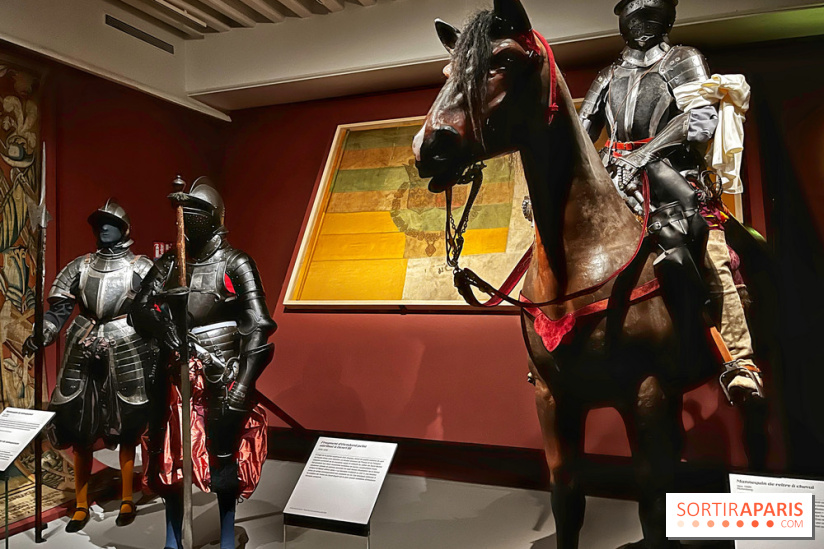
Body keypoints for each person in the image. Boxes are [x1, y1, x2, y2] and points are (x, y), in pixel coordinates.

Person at [578, 0, 763, 404]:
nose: (643, 12)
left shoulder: (683, 58)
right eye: (634, 6)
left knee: (712, 250)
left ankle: (740, 361)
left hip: (672, 176)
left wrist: (641, 156)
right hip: (614, 177)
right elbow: (581, 134)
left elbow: (698, 120)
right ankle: (558, 343)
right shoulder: (608, 74)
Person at [130, 178, 276, 549]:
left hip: (219, 373)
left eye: (193, 213)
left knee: (223, 457)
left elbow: (259, 328)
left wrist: (241, 388)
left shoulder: (235, 262)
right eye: (183, 214)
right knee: (168, 457)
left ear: (212, 217)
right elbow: (139, 309)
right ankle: (172, 538)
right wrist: (163, 328)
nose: (186, 220)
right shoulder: (169, 263)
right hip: (171, 375)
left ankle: (228, 536)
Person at [24, 200, 154, 531]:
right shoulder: (79, 267)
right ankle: (80, 503)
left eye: (110, 223)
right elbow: (59, 309)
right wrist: (45, 332)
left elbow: (154, 313)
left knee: (128, 425)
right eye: (99, 223)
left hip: (126, 342)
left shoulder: (141, 268)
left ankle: (127, 495)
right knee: (78, 426)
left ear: (124, 229)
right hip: (82, 342)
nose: (103, 228)